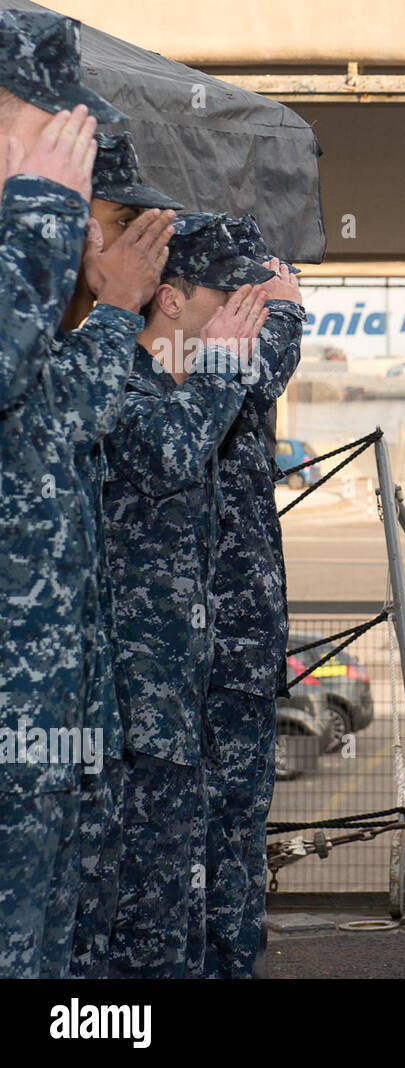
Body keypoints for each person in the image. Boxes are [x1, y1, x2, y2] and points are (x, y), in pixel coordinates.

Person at [103, 214, 270, 978]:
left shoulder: (187, 388)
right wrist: (224, 369)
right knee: (133, 914)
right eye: (230, 296)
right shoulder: (122, 385)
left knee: (174, 909)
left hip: (178, 704)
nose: (247, 312)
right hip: (128, 716)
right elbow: (164, 456)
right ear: (170, 300)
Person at [0, 8, 120, 979]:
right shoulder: (26, 256)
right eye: (45, 126)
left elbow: (69, 421)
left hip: (41, 717)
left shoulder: (29, 277)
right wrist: (39, 216)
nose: (66, 154)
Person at [49, 131, 180, 978]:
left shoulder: (79, 340)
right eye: (104, 226)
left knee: (82, 916)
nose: (111, 247)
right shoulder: (53, 342)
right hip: (38, 703)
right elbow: (83, 424)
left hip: (81, 691)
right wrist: (121, 315)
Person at [202, 211, 304, 978]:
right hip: (199, 643)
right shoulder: (189, 358)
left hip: (238, 637)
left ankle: (232, 956)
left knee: (236, 827)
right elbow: (258, 375)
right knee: (203, 831)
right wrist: (287, 312)